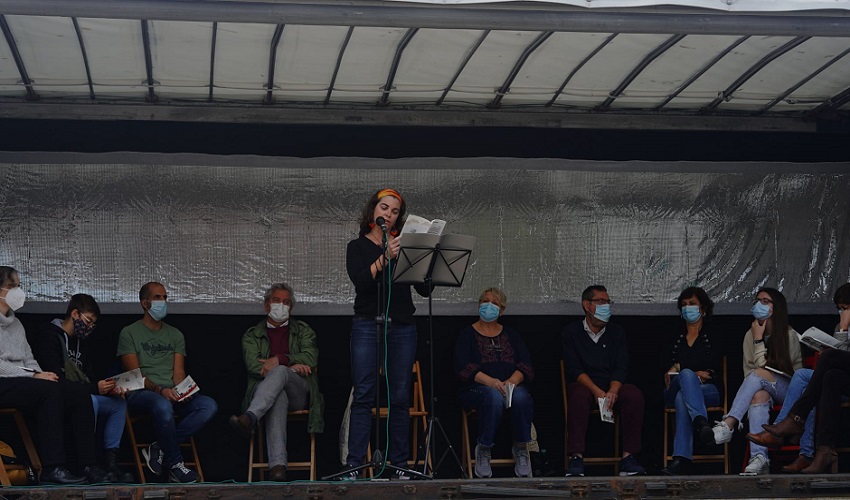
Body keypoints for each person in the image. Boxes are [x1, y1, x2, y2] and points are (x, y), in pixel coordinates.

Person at [340, 188, 430, 480]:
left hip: (403, 326)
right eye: (384, 208)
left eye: (394, 211)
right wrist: (385, 257)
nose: (388, 214)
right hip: (368, 324)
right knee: (364, 394)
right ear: (373, 211)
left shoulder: (403, 245)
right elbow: (362, 282)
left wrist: (425, 261)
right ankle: (355, 465)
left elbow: (423, 289)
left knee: (400, 396)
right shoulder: (357, 246)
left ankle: (398, 464)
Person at [0, 266, 106, 484]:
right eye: (11, 287)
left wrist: (41, 373)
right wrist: (33, 377)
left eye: (18, 287)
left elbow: (28, 358)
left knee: (76, 393)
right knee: (48, 391)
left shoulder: (16, 323)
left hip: (22, 381)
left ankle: (87, 465)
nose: (17, 292)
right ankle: (52, 467)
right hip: (4, 382)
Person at [117, 281, 218, 483]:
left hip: (170, 393)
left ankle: (160, 447)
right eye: (157, 298)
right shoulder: (129, 333)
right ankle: (176, 465)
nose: (163, 301)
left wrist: (182, 391)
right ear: (144, 304)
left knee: (208, 406)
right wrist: (161, 390)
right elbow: (134, 376)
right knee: (162, 405)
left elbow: (178, 372)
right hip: (142, 393)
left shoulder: (175, 334)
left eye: (165, 297)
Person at [747, 283, 850, 473]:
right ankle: (823, 451)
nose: (843, 313)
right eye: (840, 309)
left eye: (846, 308)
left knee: (827, 361)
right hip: (844, 381)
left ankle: (794, 420)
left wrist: (843, 330)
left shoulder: (842, 327)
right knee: (823, 376)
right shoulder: (840, 326)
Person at [32, 293, 134, 483]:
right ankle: (87, 463)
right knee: (88, 401)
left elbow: (89, 378)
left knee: (118, 404)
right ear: (75, 313)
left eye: (93, 324)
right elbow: (54, 377)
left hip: (84, 392)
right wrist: (95, 388)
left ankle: (111, 463)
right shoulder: (49, 335)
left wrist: (108, 388)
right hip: (62, 394)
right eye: (87, 321)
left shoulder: (82, 343)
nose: (89, 327)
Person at [229, 283, 325, 482]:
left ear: (291, 308)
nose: (281, 305)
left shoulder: (304, 331)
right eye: (276, 301)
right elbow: (253, 365)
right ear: (266, 306)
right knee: (277, 394)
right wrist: (293, 363)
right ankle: (278, 467)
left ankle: (250, 417)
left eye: (286, 302)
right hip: (267, 392)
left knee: (280, 371)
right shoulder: (252, 335)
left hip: (298, 390)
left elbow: (310, 358)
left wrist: (280, 361)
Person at [711, 287, 802, 475]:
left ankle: (729, 423)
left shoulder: (788, 334)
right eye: (757, 300)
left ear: (775, 308)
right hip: (764, 389)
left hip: (791, 392)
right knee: (757, 396)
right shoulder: (748, 335)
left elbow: (771, 370)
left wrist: (759, 340)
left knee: (758, 373)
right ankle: (760, 458)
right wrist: (755, 338)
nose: (759, 304)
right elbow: (748, 373)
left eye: (765, 301)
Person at [561, 285, 645, 477]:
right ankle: (576, 458)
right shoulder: (571, 332)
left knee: (633, 394)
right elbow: (573, 369)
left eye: (608, 302)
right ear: (587, 305)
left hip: (611, 385)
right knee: (578, 394)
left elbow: (622, 366)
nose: (606, 306)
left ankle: (628, 458)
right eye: (600, 301)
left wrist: (613, 389)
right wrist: (596, 391)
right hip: (586, 385)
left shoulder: (617, 332)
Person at [454, 288, 534, 478]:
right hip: (477, 389)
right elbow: (462, 367)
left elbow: (526, 365)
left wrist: (511, 382)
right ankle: (484, 449)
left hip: (510, 387)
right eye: (485, 301)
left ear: (502, 310)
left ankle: (521, 448)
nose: (489, 305)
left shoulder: (512, 335)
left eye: (495, 303)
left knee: (522, 397)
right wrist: (492, 382)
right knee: (492, 396)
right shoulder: (467, 335)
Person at [661, 287, 722, 475]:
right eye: (684, 305)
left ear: (702, 308)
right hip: (673, 387)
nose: (688, 308)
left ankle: (681, 459)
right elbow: (665, 367)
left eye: (692, 304)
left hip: (707, 391)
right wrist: (691, 371)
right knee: (686, 377)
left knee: (683, 396)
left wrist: (681, 367)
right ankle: (701, 423)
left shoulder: (713, 334)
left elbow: (714, 367)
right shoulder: (673, 335)